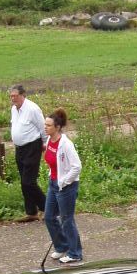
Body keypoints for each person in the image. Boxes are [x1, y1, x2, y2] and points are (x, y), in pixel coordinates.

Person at [43, 109, 83, 265]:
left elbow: (77, 167)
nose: (45, 127)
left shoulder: (66, 144)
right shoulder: (49, 141)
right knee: (49, 217)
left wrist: (64, 181)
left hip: (66, 187)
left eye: (48, 125)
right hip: (53, 184)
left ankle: (75, 253)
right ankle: (62, 246)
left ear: (57, 127)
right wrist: (53, 177)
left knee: (67, 220)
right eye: (45, 124)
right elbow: (53, 162)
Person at [9, 84, 46, 222]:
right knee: (23, 181)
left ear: (23, 95)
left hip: (32, 146)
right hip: (20, 148)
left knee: (28, 181)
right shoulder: (14, 109)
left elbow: (43, 127)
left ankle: (47, 207)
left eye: (16, 96)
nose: (13, 99)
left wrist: (45, 143)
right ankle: (31, 212)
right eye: (11, 96)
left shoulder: (32, 109)